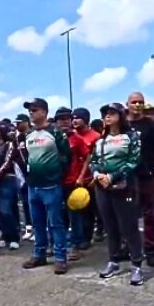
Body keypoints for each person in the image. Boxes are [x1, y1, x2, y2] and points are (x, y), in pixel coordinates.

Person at [91, 103, 144, 286]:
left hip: (124, 187)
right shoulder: (100, 140)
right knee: (110, 225)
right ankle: (113, 260)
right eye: (105, 113)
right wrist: (98, 175)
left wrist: (113, 176)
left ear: (121, 115)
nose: (107, 116)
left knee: (128, 226)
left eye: (111, 113)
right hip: (102, 188)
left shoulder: (131, 137)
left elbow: (134, 161)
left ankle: (137, 264)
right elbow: (94, 161)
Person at [21, 98, 71, 275]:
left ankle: (60, 258)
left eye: (34, 110)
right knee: (37, 223)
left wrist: (57, 175)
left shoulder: (56, 132)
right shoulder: (29, 135)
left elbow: (66, 156)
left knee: (56, 224)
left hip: (51, 185)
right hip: (33, 186)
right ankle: (39, 254)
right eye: (30, 111)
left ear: (44, 112)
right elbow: (28, 158)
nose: (31, 113)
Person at [127, 93, 154, 267]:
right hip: (125, 179)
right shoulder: (121, 125)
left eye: (140, 102)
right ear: (127, 104)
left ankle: (150, 250)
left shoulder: (153, 126)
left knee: (150, 214)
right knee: (127, 215)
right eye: (134, 102)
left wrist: (152, 165)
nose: (137, 105)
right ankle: (129, 248)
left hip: (146, 177)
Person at [55, 107, 91, 261]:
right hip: (55, 182)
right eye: (61, 119)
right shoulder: (52, 138)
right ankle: (59, 245)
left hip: (72, 182)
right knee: (58, 216)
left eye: (67, 118)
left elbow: (88, 156)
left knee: (74, 215)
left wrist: (81, 176)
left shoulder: (76, 138)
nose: (64, 121)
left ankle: (76, 244)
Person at [0, 121, 21, 250]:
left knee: (6, 209)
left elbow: (8, 162)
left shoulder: (10, 145)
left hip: (8, 179)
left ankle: (14, 237)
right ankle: (5, 235)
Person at [72, 107, 101, 247]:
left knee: (90, 210)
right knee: (76, 209)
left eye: (78, 117)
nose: (75, 120)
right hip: (73, 179)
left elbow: (99, 159)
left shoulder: (95, 136)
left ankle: (87, 237)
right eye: (73, 118)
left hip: (90, 179)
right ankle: (77, 237)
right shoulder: (70, 136)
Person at [14, 114, 34, 241]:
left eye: (19, 122)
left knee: (35, 202)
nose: (17, 125)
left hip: (35, 173)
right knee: (26, 202)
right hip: (23, 174)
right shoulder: (18, 138)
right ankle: (29, 227)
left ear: (26, 122)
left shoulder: (33, 134)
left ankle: (38, 228)